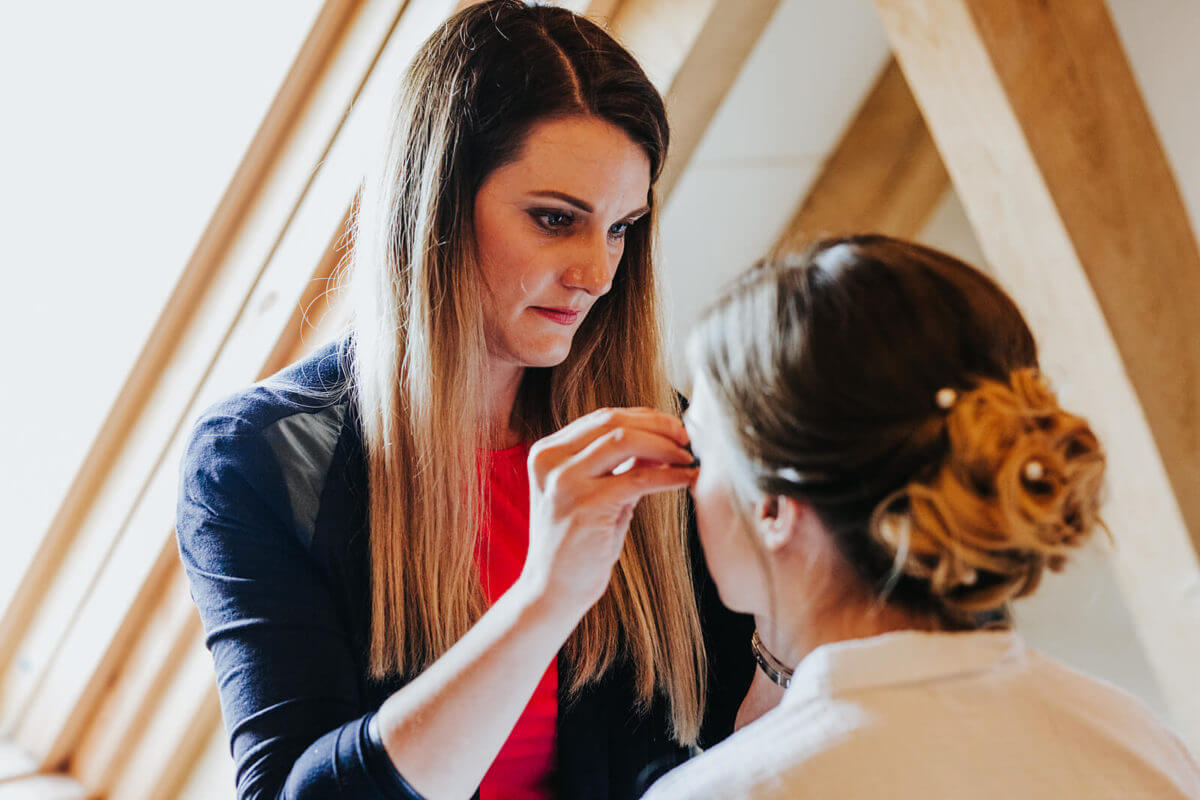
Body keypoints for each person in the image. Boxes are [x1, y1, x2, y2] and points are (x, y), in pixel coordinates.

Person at [174, 3, 753, 799]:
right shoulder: (260, 460)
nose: (596, 272)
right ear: (436, 205)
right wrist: (543, 601)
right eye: (556, 220)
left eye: (622, 228)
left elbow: (726, 742)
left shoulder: (655, 439)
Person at [643, 235, 1200, 799]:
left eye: (701, 450)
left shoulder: (722, 792)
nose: (690, 481)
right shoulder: (1141, 744)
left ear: (773, 507)